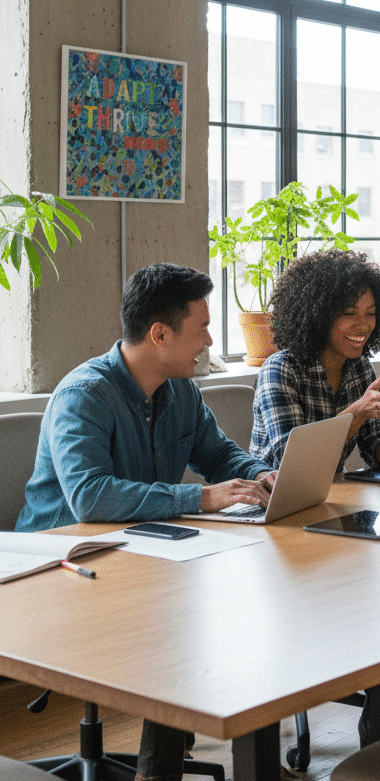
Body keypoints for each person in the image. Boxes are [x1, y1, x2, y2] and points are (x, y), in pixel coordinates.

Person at [17, 263, 278, 781]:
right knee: (179, 620)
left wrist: (263, 476)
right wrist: (200, 498)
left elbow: (220, 456)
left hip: (138, 552)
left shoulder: (182, 392)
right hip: (58, 569)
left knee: (232, 594)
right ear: (160, 334)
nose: (209, 340)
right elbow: (90, 497)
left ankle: (194, 759)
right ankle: (160, 771)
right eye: (201, 327)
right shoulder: (84, 395)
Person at [251, 250, 380, 472]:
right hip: (270, 499)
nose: (363, 325)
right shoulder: (280, 370)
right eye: (349, 313)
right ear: (319, 316)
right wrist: (357, 412)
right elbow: (290, 460)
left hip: (332, 494)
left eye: (370, 314)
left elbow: (375, 454)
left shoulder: (360, 369)